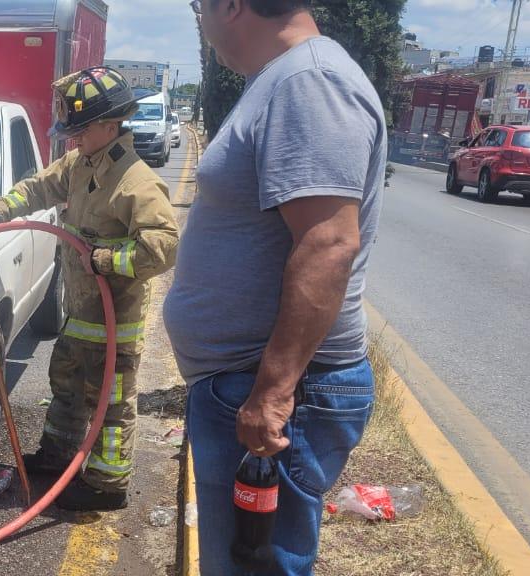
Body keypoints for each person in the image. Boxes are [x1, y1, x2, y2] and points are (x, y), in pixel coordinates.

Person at [164, 1, 386, 574]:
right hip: (247, 385)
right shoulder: (282, 80)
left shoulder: (309, 82)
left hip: (274, 395)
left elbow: (329, 244)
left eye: (198, 6)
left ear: (232, 5)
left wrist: (273, 393)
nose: (200, 22)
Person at [0, 66, 179, 511]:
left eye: (79, 130)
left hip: (115, 321)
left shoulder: (135, 182)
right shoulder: (81, 165)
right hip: (81, 313)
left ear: (110, 124)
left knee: (111, 404)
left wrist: (105, 259)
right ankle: (59, 457)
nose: (71, 138)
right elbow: (40, 187)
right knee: (66, 384)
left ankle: (106, 485)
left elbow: (164, 247)